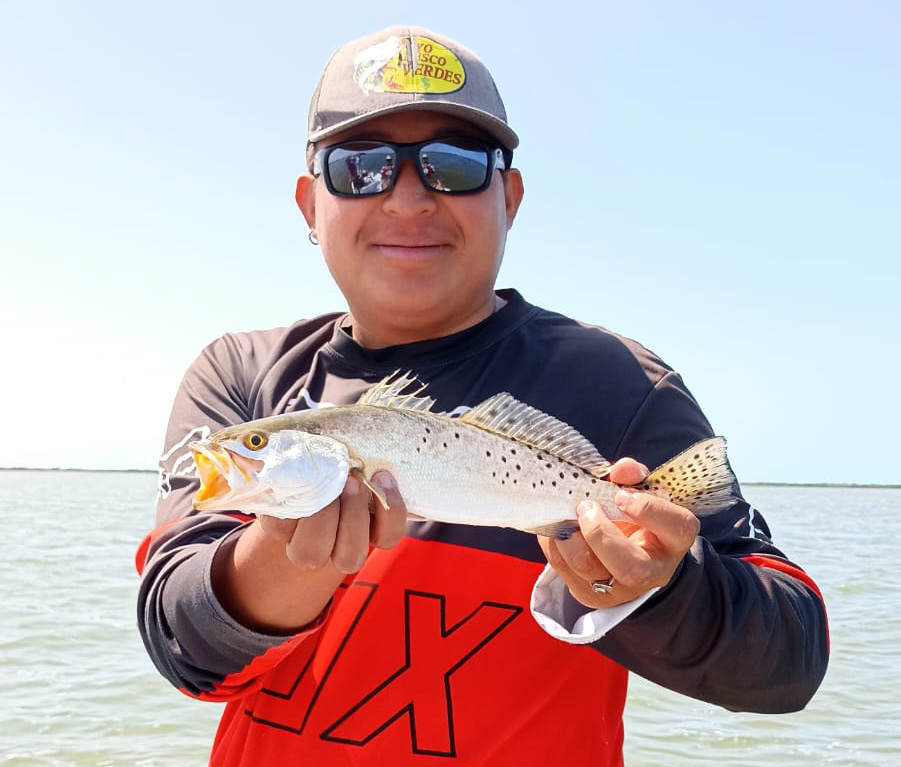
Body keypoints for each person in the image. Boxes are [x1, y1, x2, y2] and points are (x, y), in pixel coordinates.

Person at [136, 26, 829, 767]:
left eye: (453, 165)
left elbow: (788, 662)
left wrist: (659, 587)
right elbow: (181, 644)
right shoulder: (241, 375)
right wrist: (280, 557)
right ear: (310, 205)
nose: (407, 199)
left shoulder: (621, 382)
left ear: (511, 196)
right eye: (359, 166)